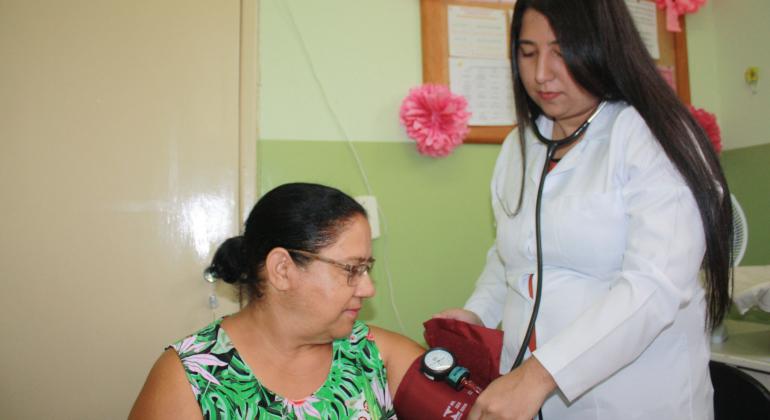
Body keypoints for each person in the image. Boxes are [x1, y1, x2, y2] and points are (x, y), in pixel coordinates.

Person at [436, 0, 732, 419]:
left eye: (561, 52)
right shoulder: (518, 147)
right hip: (532, 399)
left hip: (634, 400)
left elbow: (653, 286)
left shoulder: (652, 136)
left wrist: (538, 376)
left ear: (605, 49)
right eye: (528, 52)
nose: (541, 74)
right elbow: (514, 258)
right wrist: (476, 313)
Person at [129, 183, 424, 419]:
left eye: (366, 268)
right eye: (351, 269)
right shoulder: (191, 379)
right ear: (282, 269)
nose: (368, 288)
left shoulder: (379, 358)